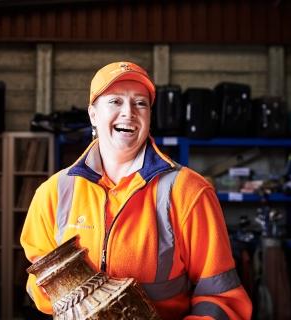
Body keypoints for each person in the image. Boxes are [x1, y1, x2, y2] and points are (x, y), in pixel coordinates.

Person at [20, 61, 252, 319]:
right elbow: (40, 287)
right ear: (93, 114)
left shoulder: (189, 192)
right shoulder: (53, 193)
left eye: (140, 103)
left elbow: (222, 297)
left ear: (149, 116)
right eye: (115, 102)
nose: (128, 113)